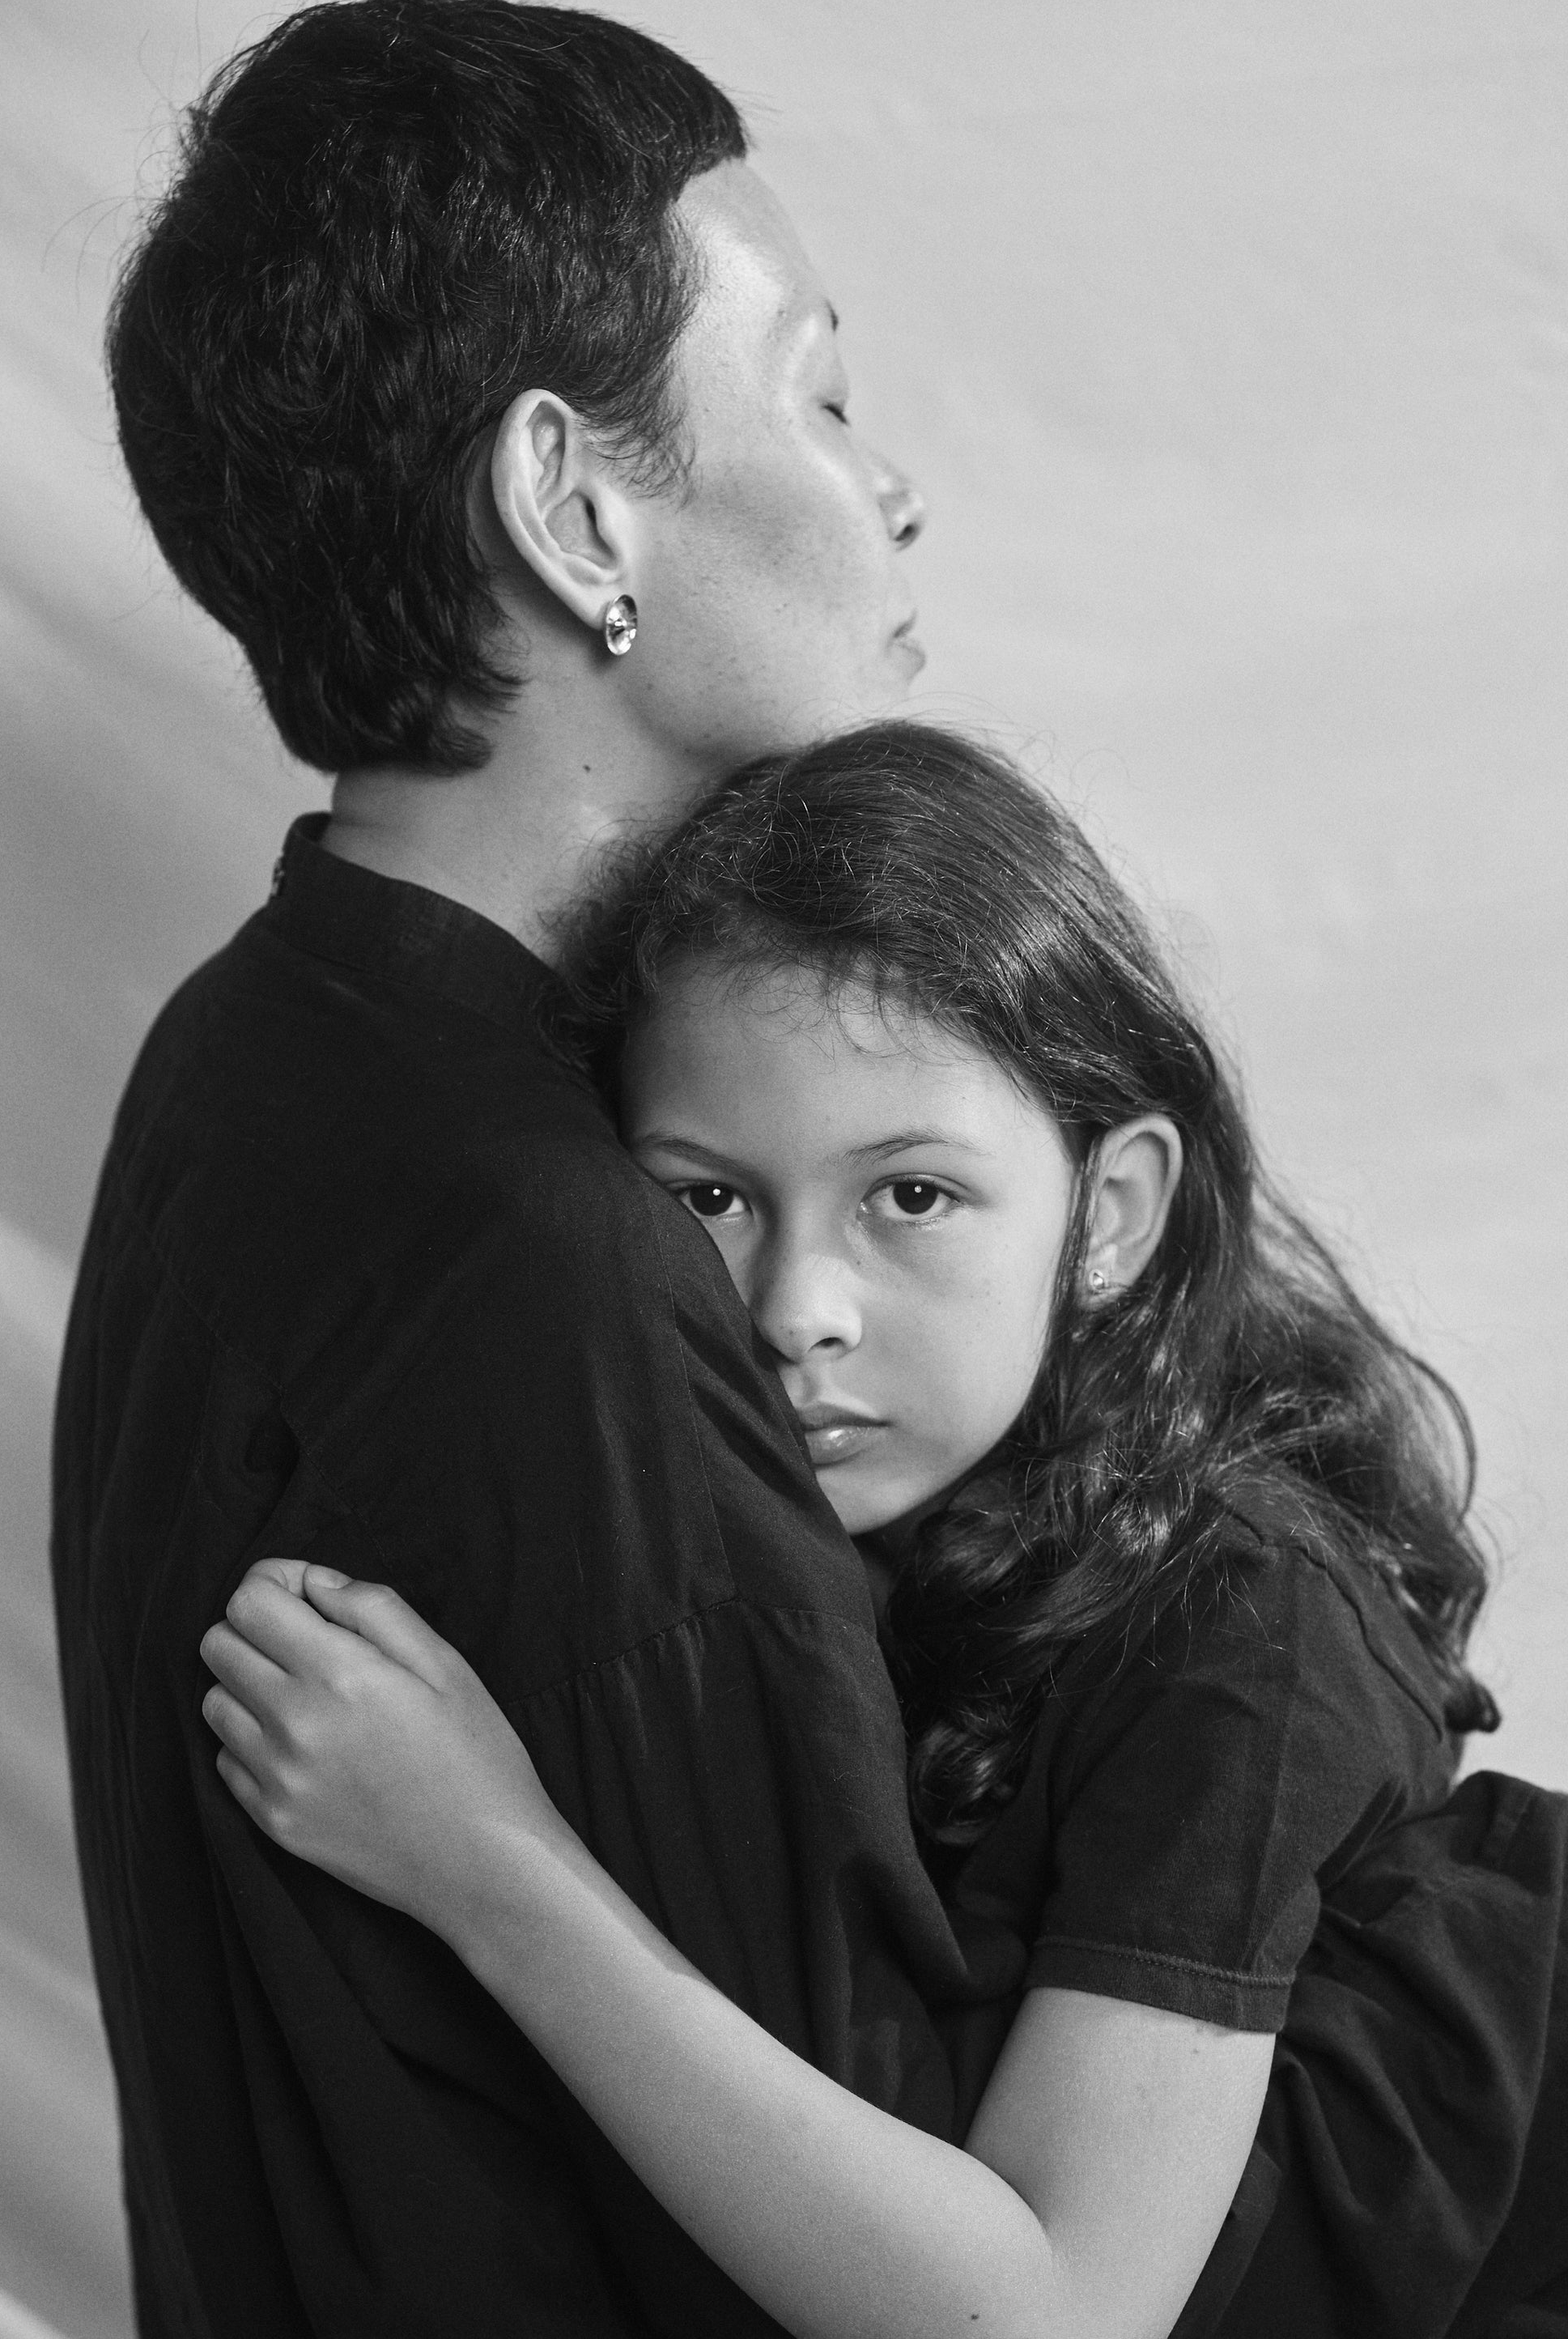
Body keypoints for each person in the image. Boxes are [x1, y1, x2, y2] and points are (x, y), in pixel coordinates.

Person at [201, 725, 1568, 2339]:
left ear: (1109, 1211)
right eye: (706, 1197)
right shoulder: (791, 1535)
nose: (796, 1311)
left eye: (909, 1197)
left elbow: (1054, 2316)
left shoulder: (1242, 1626)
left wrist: (484, 1864)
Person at [51, 0, 972, 2339]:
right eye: (824, 392)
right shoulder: (555, 1263)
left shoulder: (256, 1056)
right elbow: (885, 2232)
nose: (892, 489)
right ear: (574, 507)